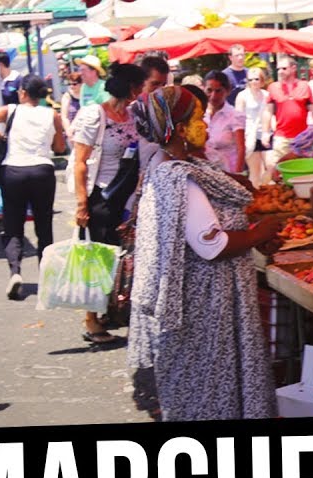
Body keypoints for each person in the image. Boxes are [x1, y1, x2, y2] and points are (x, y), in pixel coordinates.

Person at [128, 86, 282, 422]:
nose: (206, 124)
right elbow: (211, 244)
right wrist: (259, 233)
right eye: (199, 119)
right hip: (205, 306)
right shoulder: (179, 178)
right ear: (181, 130)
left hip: (198, 302)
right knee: (211, 391)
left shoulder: (169, 163)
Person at [73, 62, 147, 345]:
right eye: (139, 86)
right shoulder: (95, 115)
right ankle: (91, 319)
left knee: (120, 258)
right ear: (130, 87)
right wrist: (81, 204)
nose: (141, 92)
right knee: (98, 259)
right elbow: (80, 162)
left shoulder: (131, 116)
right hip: (101, 197)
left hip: (126, 197)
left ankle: (109, 313)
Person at [0, 75, 66, 299]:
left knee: (13, 224)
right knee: (43, 225)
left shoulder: (11, 110)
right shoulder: (52, 114)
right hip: (42, 171)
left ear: (23, 93)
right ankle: (46, 277)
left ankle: (15, 272)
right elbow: (60, 147)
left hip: (14, 171)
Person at [266, 55, 312, 169]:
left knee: (302, 167)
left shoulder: (304, 85)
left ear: (293, 68)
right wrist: (265, 132)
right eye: (278, 69)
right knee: (278, 166)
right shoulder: (273, 87)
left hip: (302, 136)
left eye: (284, 68)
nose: (280, 71)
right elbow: (267, 111)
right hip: (282, 136)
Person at [202, 71, 245, 176]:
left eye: (218, 91)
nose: (213, 96)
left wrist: (237, 175)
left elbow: (241, 149)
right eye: (209, 90)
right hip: (207, 172)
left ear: (228, 91)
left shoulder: (234, 116)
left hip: (229, 172)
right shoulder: (200, 115)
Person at [235, 66, 272, 187]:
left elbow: (271, 114)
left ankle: (267, 191)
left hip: (266, 133)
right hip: (250, 135)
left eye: (256, 79)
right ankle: (255, 197)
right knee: (255, 171)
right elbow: (238, 118)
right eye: (250, 80)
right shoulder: (242, 96)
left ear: (262, 80)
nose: (253, 82)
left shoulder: (267, 95)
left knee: (271, 166)